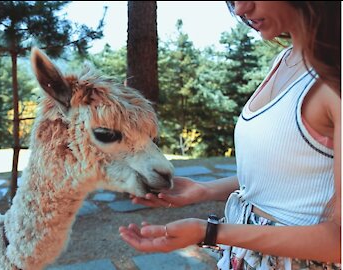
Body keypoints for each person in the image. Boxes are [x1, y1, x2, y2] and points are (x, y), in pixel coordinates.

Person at [119, 1, 341, 269]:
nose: (239, 9)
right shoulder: (284, 61)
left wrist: (209, 232)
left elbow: (338, 241)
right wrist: (205, 190)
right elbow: (289, 175)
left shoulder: (333, 80)